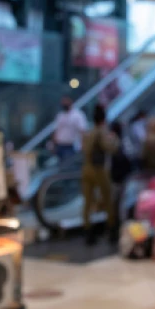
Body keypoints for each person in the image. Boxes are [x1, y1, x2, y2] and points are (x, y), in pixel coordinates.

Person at [81, 104, 117, 245]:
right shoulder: (102, 132)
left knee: (88, 202)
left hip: (86, 168)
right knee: (108, 200)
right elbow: (110, 148)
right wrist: (114, 138)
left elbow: (84, 148)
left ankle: (88, 231)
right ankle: (111, 229)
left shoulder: (88, 132)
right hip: (99, 169)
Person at [52, 97, 87, 163]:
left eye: (66, 101)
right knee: (60, 166)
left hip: (71, 146)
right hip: (60, 145)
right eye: (63, 102)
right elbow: (56, 131)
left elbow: (82, 131)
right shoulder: (60, 115)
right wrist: (53, 145)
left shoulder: (77, 115)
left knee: (69, 166)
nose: (64, 103)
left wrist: (83, 144)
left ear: (70, 102)